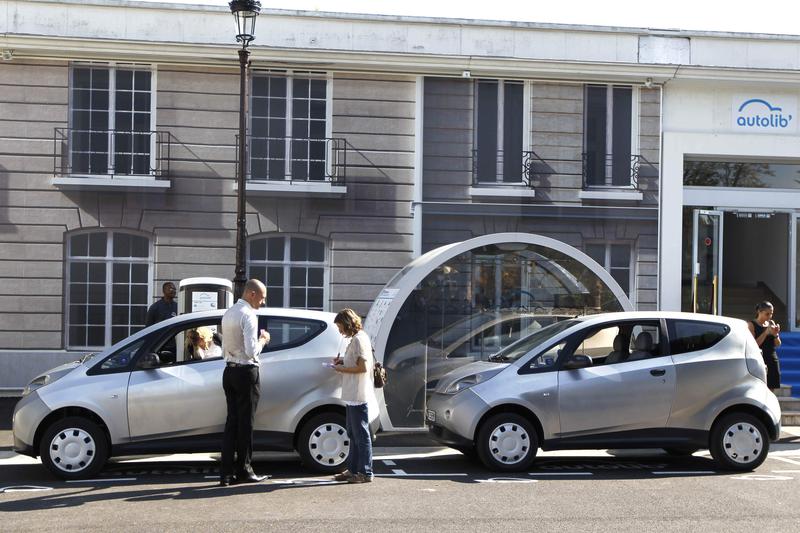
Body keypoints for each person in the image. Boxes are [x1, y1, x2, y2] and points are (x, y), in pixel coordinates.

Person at [219, 279, 271, 487]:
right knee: (246, 424)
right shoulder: (248, 315)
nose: (263, 302)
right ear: (251, 294)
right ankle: (245, 470)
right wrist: (263, 340)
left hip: (229, 371)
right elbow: (251, 351)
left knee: (231, 423)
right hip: (246, 372)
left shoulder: (229, 312)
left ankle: (225, 474)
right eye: (262, 297)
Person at [330, 308, 374, 484]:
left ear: (347, 324)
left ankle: (365, 472)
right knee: (353, 434)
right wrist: (342, 362)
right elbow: (355, 362)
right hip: (352, 394)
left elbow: (362, 367)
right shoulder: (356, 339)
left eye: (340, 326)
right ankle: (354, 469)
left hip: (358, 394)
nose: (339, 330)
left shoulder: (359, 340)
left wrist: (341, 368)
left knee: (360, 435)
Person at [748, 301, 782, 391]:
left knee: (771, 388)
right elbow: (753, 345)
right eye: (767, 314)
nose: (770, 316)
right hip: (759, 359)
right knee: (759, 387)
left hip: (772, 358)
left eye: (771, 314)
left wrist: (775, 334)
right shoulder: (751, 325)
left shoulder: (771, 323)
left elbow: (778, 344)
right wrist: (766, 332)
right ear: (759, 312)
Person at [146, 281, 178, 363]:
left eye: (174, 289)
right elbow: (148, 328)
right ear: (164, 291)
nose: (173, 290)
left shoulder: (178, 307)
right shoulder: (155, 307)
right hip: (159, 346)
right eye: (170, 288)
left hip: (174, 347)